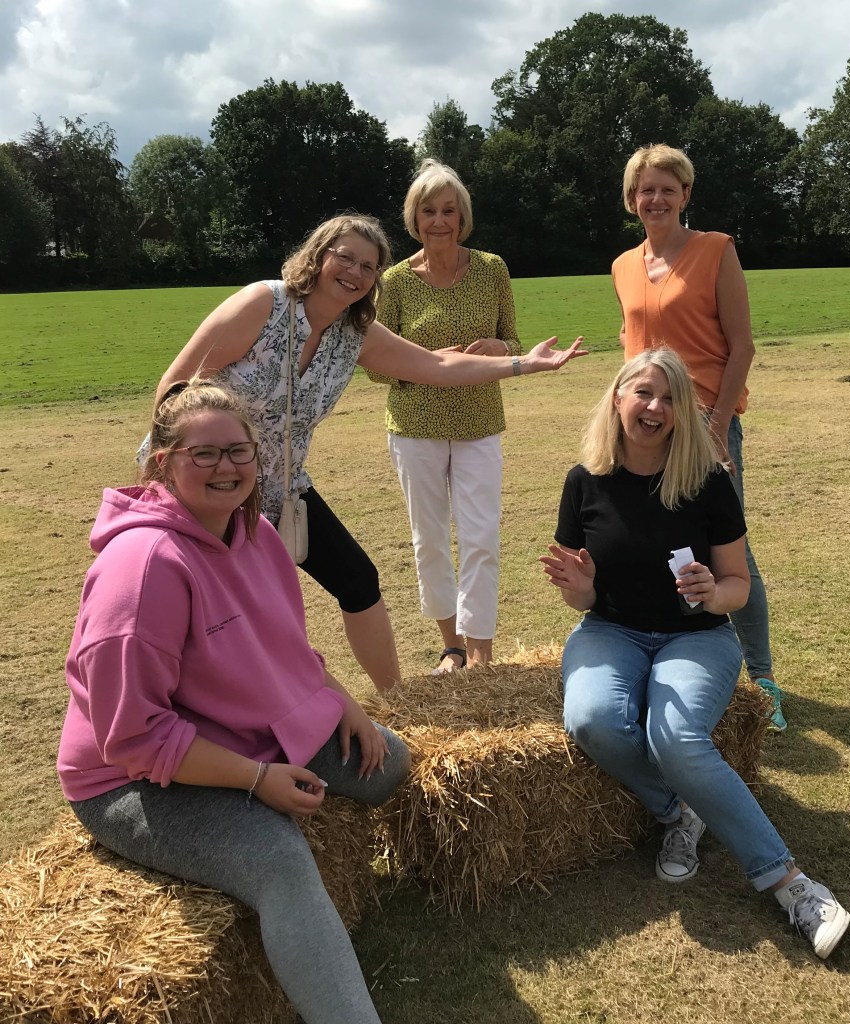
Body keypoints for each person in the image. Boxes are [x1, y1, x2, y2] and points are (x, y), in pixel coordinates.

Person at [59, 379, 412, 1023]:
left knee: (388, 762)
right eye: (204, 453)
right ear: (163, 462)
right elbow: (134, 737)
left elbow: (286, 651)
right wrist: (256, 780)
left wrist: (345, 705)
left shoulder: (256, 532)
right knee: (279, 861)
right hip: (131, 776)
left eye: (238, 450)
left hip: (246, 728)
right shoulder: (142, 568)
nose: (226, 467)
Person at [152, 214, 585, 692]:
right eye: (346, 258)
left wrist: (523, 364)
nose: (355, 273)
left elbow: (436, 366)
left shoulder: (353, 333)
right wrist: (172, 475)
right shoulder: (265, 303)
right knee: (225, 607)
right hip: (205, 485)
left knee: (357, 579)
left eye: (369, 266)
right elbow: (174, 388)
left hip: (281, 489)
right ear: (319, 256)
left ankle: (396, 699)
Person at [539, 350, 850, 959]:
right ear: (617, 398)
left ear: (683, 412)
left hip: (697, 636)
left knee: (676, 737)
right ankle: (679, 810)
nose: (655, 407)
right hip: (611, 628)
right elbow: (581, 591)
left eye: (670, 398)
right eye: (643, 393)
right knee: (590, 718)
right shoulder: (584, 480)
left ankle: (791, 885)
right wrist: (581, 590)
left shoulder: (707, 483)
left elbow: (740, 586)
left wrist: (713, 592)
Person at [612, 144, 785, 730]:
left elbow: (742, 346)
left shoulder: (716, 250)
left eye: (668, 188)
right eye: (646, 190)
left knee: (730, 548)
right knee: (651, 538)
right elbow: (632, 346)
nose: (656, 199)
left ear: (686, 194)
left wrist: (715, 425)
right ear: (632, 199)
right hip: (644, 422)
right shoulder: (622, 266)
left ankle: (762, 680)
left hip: (707, 421)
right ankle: (664, 660)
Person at [371, 160, 517, 673]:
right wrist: (428, 365)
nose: (439, 221)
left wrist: (501, 347)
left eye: (449, 211)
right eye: (428, 211)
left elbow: (513, 340)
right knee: (429, 540)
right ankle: (451, 646)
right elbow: (375, 363)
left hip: (480, 424)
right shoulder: (394, 281)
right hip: (416, 428)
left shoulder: (492, 269)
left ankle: (481, 652)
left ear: (462, 216)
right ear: (415, 218)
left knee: (482, 537)